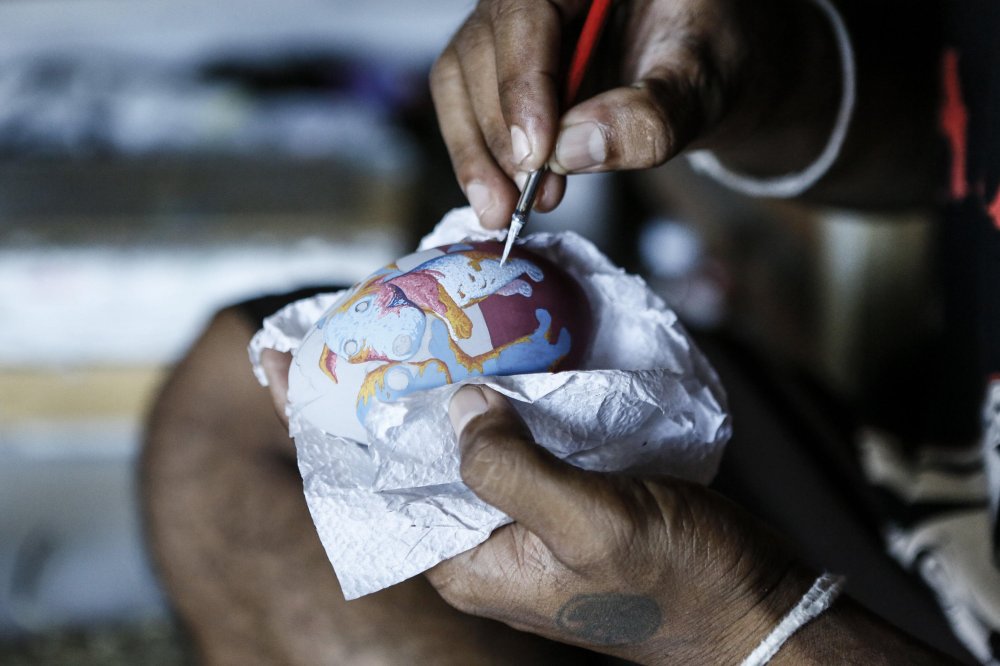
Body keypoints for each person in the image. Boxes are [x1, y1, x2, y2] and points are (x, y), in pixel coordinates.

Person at [142, 0, 998, 663]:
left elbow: (740, 623)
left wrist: (749, 627)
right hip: (937, 486)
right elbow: (959, 125)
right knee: (236, 398)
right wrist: (756, 72)